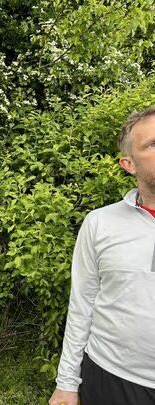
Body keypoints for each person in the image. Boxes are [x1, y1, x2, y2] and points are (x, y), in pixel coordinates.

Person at [49, 106, 155, 405]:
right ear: (128, 164)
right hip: (113, 379)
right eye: (153, 144)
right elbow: (82, 303)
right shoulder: (100, 223)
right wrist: (67, 383)